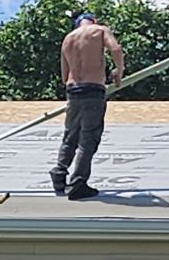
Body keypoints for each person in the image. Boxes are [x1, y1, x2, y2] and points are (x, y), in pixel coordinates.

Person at [48, 12, 125, 200]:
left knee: (70, 135)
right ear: (93, 22)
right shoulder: (100, 30)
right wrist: (118, 70)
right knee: (89, 138)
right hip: (93, 89)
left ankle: (59, 173)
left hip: (73, 90)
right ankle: (78, 183)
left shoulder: (68, 39)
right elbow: (115, 49)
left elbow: (65, 75)